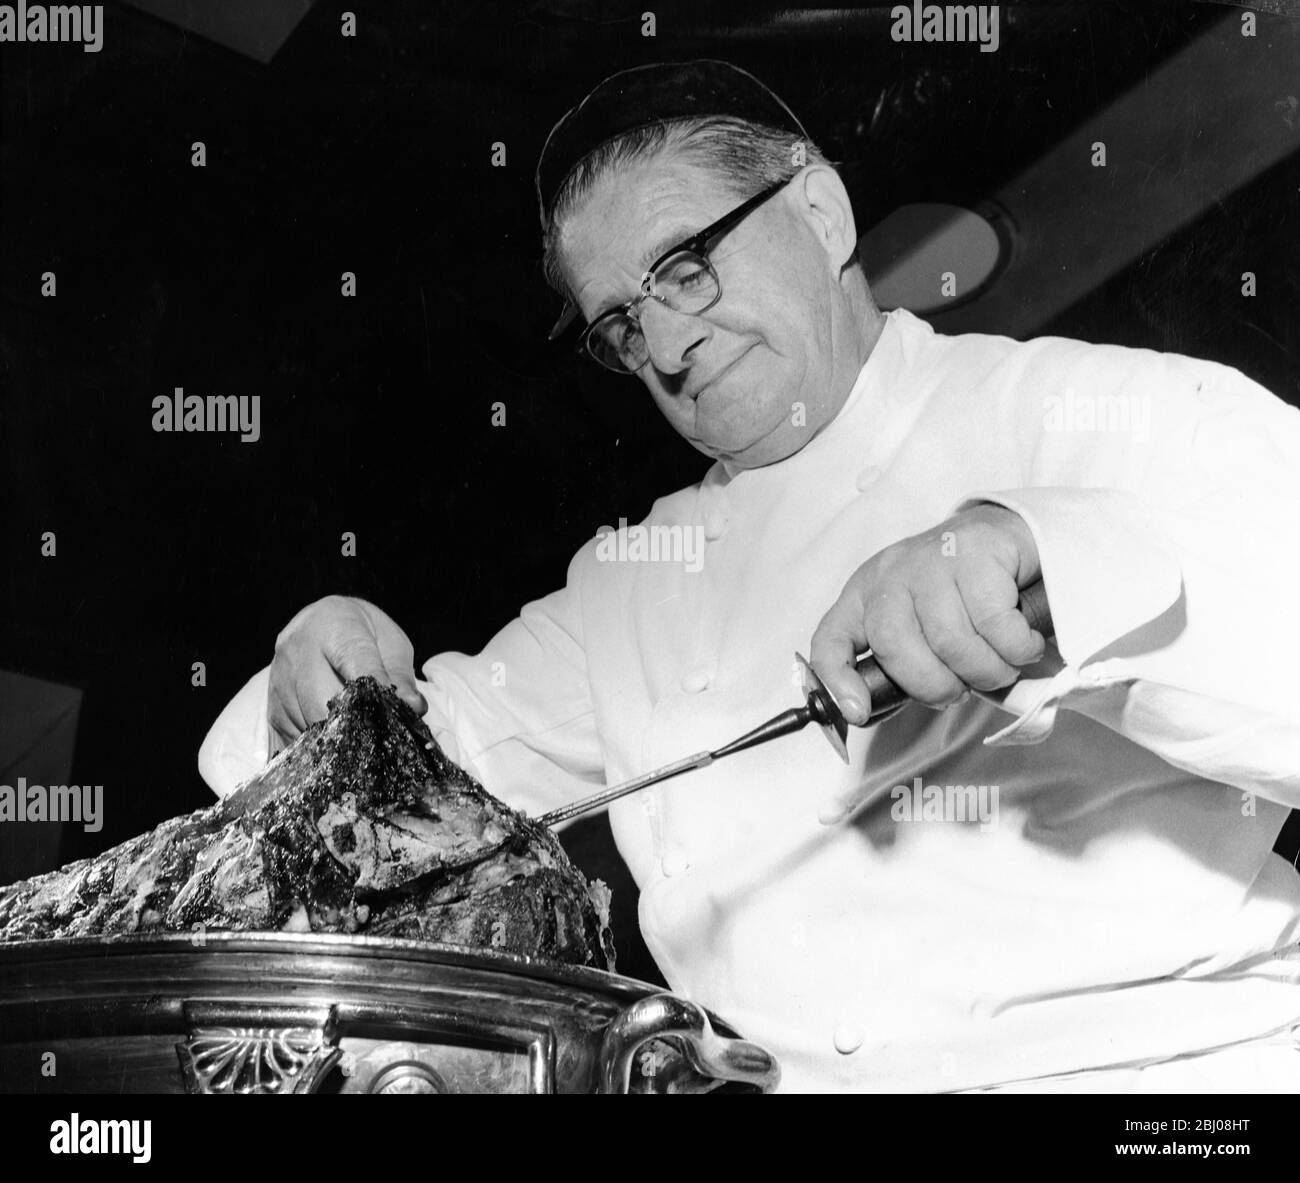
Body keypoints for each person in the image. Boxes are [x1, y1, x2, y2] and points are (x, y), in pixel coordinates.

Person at [200, 60, 1300, 1092]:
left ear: (820, 212)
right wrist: (321, 665)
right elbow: (397, 774)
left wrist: (1049, 563)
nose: (668, 348)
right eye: (622, 325)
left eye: (687, 265)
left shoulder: (1087, 409)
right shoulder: (628, 584)